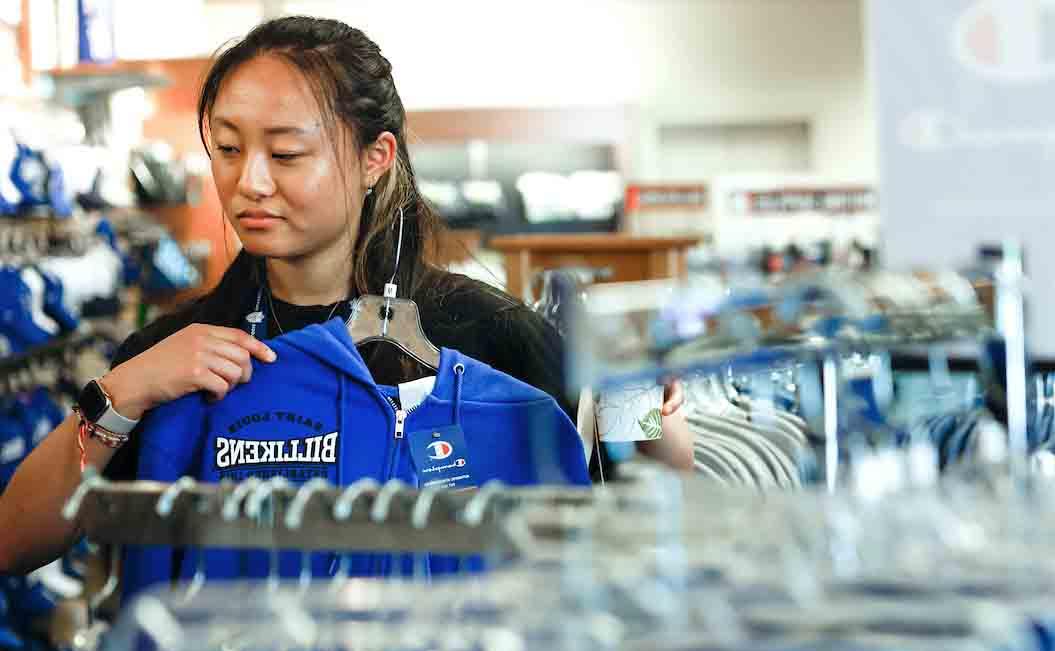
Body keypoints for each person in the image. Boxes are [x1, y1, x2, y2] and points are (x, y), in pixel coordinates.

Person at [0, 15, 693, 576]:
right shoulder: (177, 354)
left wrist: (651, 404)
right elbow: (14, 544)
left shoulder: (486, 331)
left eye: (286, 153)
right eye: (228, 149)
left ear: (374, 159)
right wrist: (120, 394)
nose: (251, 183)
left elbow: (652, 478)